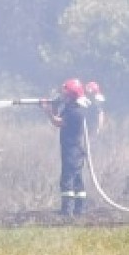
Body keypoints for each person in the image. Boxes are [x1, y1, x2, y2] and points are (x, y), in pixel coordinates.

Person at [43, 78, 90, 217]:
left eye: (66, 95)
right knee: (77, 180)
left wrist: (47, 111)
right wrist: (54, 107)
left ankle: (67, 212)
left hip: (72, 152)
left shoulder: (75, 113)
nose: (64, 97)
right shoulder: (72, 109)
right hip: (74, 151)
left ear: (71, 96)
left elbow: (57, 122)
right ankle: (79, 210)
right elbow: (58, 116)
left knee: (67, 181)